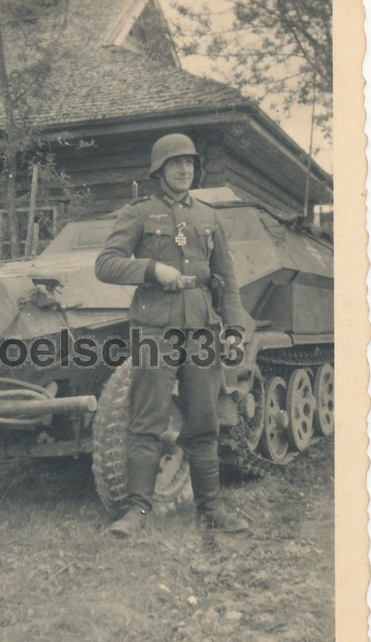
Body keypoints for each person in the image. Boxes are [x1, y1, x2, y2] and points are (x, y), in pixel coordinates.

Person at [95, 133, 253, 537]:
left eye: (190, 164)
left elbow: (227, 279)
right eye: (175, 163)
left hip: (201, 328)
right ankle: (137, 512)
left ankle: (212, 507)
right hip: (153, 329)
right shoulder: (139, 213)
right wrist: (151, 270)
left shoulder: (208, 216)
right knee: (147, 419)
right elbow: (106, 264)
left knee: (204, 418)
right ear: (159, 170)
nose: (185, 170)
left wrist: (233, 327)